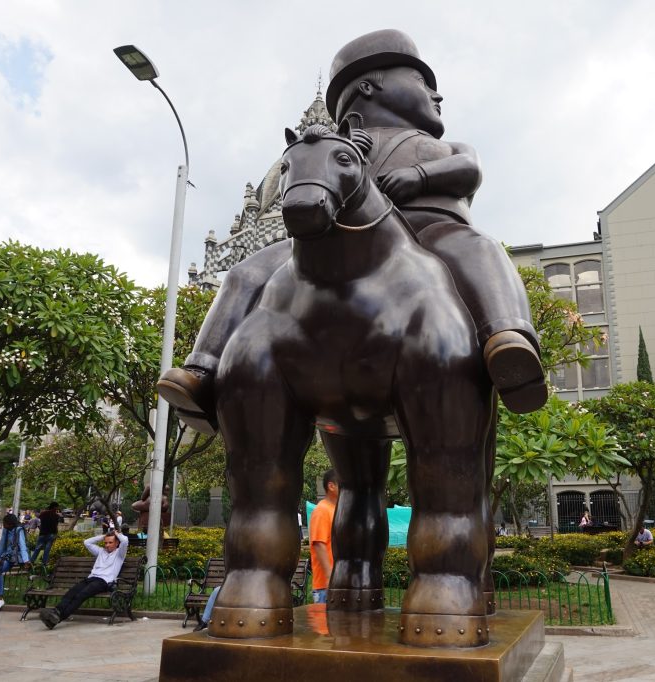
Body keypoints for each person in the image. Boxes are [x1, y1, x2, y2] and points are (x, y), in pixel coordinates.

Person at [157, 29, 547, 434]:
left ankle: (507, 339)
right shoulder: (344, 148)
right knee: (246, 273)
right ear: (368, 87)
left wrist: (419, 176)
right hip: (352, 241)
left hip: (430, 229)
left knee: (481, 249)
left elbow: (469, 170)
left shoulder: (442, 146)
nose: (437, 95)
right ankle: (202, 369)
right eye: (421, 82)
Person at [38, 524, 128, 629]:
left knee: (81, 595)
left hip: (104, 582)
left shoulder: (119, 554)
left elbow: (125, 541)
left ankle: (58, 617)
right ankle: (56, 612)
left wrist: (116, 533)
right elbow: (87, 542)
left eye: (110, 542)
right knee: (72, 592)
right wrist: (103, 536)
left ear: (117, 543)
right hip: (91, 578)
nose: (107, 545)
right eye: (106, 542)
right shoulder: (100, 551)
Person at [309, 469, 339, 604]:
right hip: (325, 586)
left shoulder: (336, 510)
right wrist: (329, 576)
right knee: (325, 625)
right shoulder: (322, 510)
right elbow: (318, 544)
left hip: (335, 583)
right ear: (331, 486)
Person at [0, 513, 30, 612]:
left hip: (14, 558)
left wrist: (26, 560)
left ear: (11, 524)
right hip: (6, 556)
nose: (3, 525)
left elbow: (22, 545)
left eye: (5, 523)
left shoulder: (18, 530)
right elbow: (2, 544)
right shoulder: (6, 530)